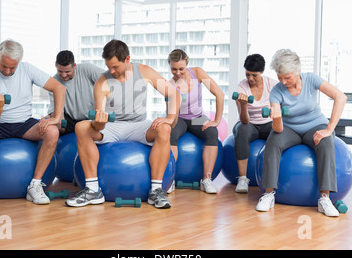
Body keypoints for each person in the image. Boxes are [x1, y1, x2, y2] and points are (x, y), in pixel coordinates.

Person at [66, 39, 180, 209]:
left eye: (115, 67)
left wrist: (170, 118)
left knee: (164, 129)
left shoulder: (144, 71)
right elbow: (98, 126)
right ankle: (92, 190)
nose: (111, 71)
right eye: (108, 66)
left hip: (139, 125)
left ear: (127, 59)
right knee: (81, 127)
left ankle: (156, 191)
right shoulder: (102, 82)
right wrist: (99, 123)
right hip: (113, 126)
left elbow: (173, 93)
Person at [0, 39, 66, 206]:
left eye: (12, 67)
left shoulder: (27, 69)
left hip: (24, 123)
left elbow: (59, 87)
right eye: (4, 66)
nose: (8, 71)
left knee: (53, 132)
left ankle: (35, 186)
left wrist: (57, 117)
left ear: (19, 62)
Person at [256, 49, 347, 217]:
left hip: (315, 124)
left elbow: (340, 97)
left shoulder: (311, 79)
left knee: (326, 144)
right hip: (288, 128)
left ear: (297, 71)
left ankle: (324, 199)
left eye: (287, 77)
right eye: (280, 77)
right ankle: (268, 194)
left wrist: (329, 129)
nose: (283, 81)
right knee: (273, 142)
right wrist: (276, 118)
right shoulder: (276, 91)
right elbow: (278, 129)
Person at [167, 49, 225, 194]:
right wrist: (171, 124)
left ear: (187, 64)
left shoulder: (197, 73)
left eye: (181, 68)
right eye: (174, 69)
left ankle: (206, 180)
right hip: (179, 118)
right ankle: (169, 180)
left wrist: (216, 121)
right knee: (171, 133)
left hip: (197, 117)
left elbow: (219, 94)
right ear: (169, 67)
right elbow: (171, 114)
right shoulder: (169, 84)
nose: (178, 72)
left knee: (212, 132)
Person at [233, 54, 278, 193]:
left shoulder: (273, 85)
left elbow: (278, 111)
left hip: (268, 123)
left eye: (254, 75)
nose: (250, 79)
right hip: (249, 123)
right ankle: (242, 179)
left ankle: (272, 178)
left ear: (262, 72)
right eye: (248, 74)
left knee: (279, 134)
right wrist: (244, 104)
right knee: (242, 130)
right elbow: (245, 120)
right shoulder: (242, 86)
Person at [47, 50, 104, 135]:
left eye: (67, 72)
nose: (63, 75)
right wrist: (58, 121)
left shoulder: (87, 69)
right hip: (70, 120)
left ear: (74, 66)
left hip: (92, 118)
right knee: (51, 122)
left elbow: (108, 82)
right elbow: (56, 111)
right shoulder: (54, 82)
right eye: (60, 71)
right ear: (55, 65)